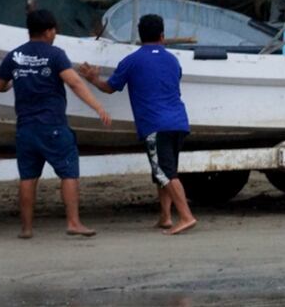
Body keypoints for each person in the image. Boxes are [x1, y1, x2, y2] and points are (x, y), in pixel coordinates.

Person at [0, 9, 111, 239]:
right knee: (68, 172)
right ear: (48, 31)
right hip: (53, 125)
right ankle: (73, 222)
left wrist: (11, 84)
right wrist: (97, 106)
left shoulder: (14, 55)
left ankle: (26, 229)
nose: (55, 34)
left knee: (28, 177)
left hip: (25, 127)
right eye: (54, 30)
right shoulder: (55, 54)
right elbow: (75, 82)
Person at [77, 14, 197, 235]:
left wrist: (92, 78)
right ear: (162, 36)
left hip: (155, 124)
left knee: (165, 173)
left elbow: (110, 88)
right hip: (179, 122)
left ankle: (186, 216)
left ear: (141, 37)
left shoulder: (131, 61)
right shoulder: (173, 60)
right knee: (163, 171)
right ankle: (166, 217)